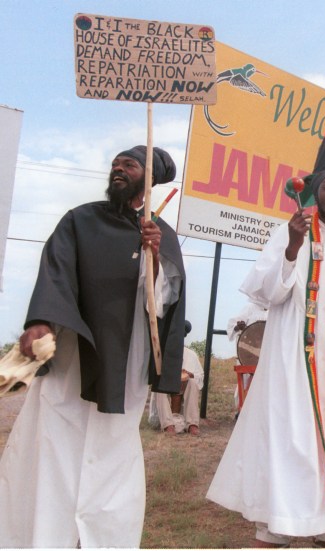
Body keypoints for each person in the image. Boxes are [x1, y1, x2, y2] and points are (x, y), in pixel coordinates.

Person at [0, 145, 186, 547]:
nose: (118, 168)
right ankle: (44, 536)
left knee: (112, 449)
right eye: (116, 163)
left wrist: (154, 256)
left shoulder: (162, 234)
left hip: (127, 358)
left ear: (149, 179)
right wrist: (39, 323)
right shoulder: (80, 220)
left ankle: (104, 539)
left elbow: (164, 301)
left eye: (129, 165)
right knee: (54, 442)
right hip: (75, 354)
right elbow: (56, 270)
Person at [207, 170, 325, 548]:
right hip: (290, 358)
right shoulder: (289, 232)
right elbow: (268, 294)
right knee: (288, 437)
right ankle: (278, 526)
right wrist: (293, 247)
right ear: (315, 194)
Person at [149, 320, 204, 436]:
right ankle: (168, 425)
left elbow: (200, 377)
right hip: (167, 389)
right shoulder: (162, 352)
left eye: (181, 335)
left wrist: (189, 374)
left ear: (184, 336)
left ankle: (192, 424)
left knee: (193, 383)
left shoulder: (191, 354)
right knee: (159, 384)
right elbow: (153, 374)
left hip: (183, 391)